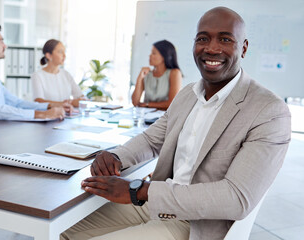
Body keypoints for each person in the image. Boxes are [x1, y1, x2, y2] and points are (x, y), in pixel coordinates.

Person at [61, 7, 291, 240]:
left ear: (243, 48)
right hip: (159, 206)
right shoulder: (188, 94)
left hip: (198, 225)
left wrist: (140, 190)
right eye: (203, 38)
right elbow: (151, 140)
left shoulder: (268, 110)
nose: (211, 48)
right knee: (64, 232)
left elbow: (236, 197)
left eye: (225, 39)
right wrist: (117, 157)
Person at [0, 23, 67, 123]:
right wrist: (43, 115)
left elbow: (16, 102)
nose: (5, 46)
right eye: (0, 41)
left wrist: (49, 106)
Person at [31, 39, 84, 108]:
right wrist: (68, 103)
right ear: (49, 56)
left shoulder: (66, 74)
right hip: (48, 116)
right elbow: (39, 101)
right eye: (60, 52)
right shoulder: (37, 76)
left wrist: (78, 100)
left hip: (68, 115)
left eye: (64, 52)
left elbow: (81, 97)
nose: (64, 55)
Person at [131, 40, 182, 110]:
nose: (150, 55)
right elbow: (135, 102)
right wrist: (139, 78)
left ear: (164, 56)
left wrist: (147, 104)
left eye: (153, 53)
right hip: (147, 117)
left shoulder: (174, 73)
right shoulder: (146, 74)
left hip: (165, 117)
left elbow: (172, 103)